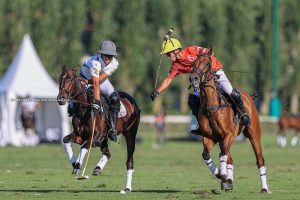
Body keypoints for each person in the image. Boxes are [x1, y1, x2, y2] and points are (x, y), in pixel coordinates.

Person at [150, 38, 251, 134]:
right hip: (202, 81)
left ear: (176, 50)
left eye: (168, 53)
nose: (168, 56)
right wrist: (157, 91)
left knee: (229, 91)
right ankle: (201, 125)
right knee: (193, 100)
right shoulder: (176, 66)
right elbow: (168, 80)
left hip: (215, 72)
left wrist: (209, 68)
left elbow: (210, 53)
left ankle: (244, 114)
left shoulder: (192, 50)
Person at [70, 40, 126, 142]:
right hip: (84, 81)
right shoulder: (95, 62)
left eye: (110, 57)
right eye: (105, 56)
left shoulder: (115, 63)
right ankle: (73, 111)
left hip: (98, 80)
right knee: (79, 100)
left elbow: (99, 80)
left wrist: (96, 101)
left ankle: (112, 130)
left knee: (114, 98)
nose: (107, 59)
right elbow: (95, 83)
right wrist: (96, 101)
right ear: (101, 54)